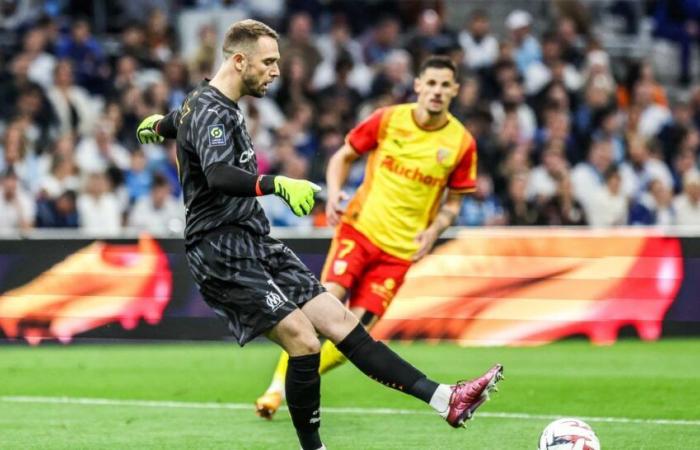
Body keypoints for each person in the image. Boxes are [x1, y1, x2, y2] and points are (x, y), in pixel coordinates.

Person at [136, 20, 502, 450]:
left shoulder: (209, 104)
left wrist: (160, 126)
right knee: (304, 340)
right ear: (239, 60)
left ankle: (446, 399)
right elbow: (217, 174)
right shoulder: (213, 108)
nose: (276, 71)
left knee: (341, 322)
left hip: (256, 240)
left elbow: (183, 119)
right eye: (268, 62)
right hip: (221, 249)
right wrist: (276, 184)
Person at [255, 54, 490, 419]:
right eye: (431, 83)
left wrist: (434, 230)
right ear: (418, 85)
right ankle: (275, 387)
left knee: (357, 332)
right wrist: (332, 194)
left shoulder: (461, 143)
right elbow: (342, 156)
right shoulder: (389, 119)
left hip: (400, 251)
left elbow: (454, 202)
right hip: (360, 229)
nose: (437, 91)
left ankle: (294, 382)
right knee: (326, 303)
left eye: (445, 85)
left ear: (455, 90)